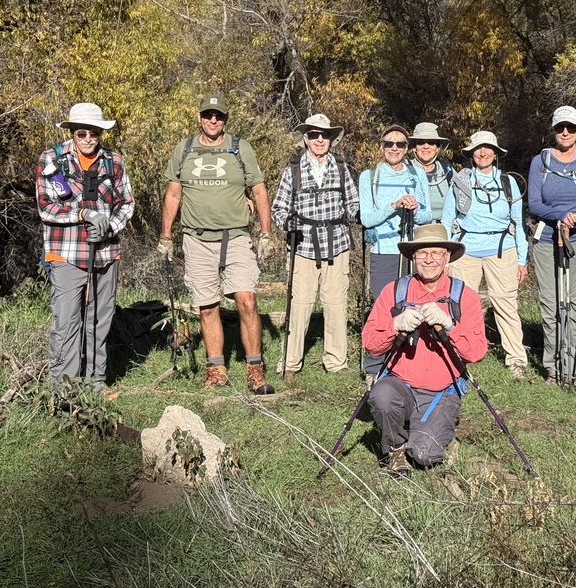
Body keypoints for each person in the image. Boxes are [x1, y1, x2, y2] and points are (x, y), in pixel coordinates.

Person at [157, 94, 275, 395]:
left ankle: (254, 368)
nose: (213, 120)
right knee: (207, 306)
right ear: (199, 117)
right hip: (196, 238)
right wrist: (166, 236)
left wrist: (265, 233)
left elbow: (259, 191)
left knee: (247, 300)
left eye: (219, 116)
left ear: (225, 119)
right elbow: (173, 194)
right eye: (208, 115)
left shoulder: (239, 148)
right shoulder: (184, 150)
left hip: (235, 236)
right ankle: (216, 368)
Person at [361, 224, 487, 476]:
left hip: (442, 391)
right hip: (401, 383)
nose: (429, 260)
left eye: (436, 253)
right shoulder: (395, 291)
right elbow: (371, 343)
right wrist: (395, 324)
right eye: (422, 254)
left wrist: (450, 325)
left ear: (447, 257)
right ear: (412, 257)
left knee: (424, 455)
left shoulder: (465, 296)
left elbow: (476, 353)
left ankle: (423, 429)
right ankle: (395, 447)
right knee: (381, 396)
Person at [36, 102, 135, 389]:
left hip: (105, 253)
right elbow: (46, 208)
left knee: (99, 321)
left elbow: (127, 204)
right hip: (65, 252)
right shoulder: (52, 159)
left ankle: (96, 384)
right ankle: (64, 390)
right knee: (66, 323)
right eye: (82, 133)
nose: (89, 139)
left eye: (94, 133)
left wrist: (109, 227)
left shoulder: (113, 161)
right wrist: (81, 214)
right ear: (73, 133)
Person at [270, 113, 359, 377]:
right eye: (313, 135)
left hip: (338, 244)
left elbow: (352, 204)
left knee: (335, 304)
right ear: (306, 139)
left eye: (324, 135)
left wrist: (360, 216)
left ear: (331, 139)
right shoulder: (293, 170)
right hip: (303, 247)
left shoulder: (341, 168)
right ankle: (290, 362)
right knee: (300, 305)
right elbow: (278, 209)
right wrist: (288, 223)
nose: (319, 140)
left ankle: (336, 361)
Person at [442, 130, 529, 379]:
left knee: (506, 305)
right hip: (465, 252)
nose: (483, 153)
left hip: (503, 250)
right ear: (471, 153)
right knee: (459, 306)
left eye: (487, 148)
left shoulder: (507, 182)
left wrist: (522, 260)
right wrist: (446, 257)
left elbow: (518, 224)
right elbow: (448, 220)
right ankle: (458, 356)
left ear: (495, 153)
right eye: (478, 148)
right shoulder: (460, 181)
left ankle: (516, 360)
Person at [527, 105, 576, 386]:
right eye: (560, 127)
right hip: (548, 240)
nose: (566, 132)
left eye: (571, 127)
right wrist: (561, 216)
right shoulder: (541, 161)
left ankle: (575, 368)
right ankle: (553, 368)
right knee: (551, 305)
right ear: (554, 130)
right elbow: (535, 203)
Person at [359, 124, 433, 376]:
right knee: (384, 307)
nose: (394, 148)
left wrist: (414, 209)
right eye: (388, 143)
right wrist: (394, 205)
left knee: (413, 305)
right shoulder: (369, 177)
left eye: (400, 144)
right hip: (384, 250)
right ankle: (375, 367)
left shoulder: (417, 174)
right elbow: (367, 219)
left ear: (406, 148)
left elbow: (427, 215)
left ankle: (409, 363)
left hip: (413, 252)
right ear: (381, 146)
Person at [409, 122, 455, 214]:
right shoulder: (406, 170)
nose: (426, 147)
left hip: (444, 225)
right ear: (414, 148)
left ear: (437, 148)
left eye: (431, 143)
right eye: (421, 143)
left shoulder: (447, 169)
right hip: (414, 225)